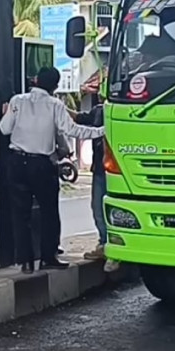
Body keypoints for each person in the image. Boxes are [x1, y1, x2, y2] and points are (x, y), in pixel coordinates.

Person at [0, 67, 104, 273]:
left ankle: (26, 262)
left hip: (17, 162)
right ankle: (48, 257)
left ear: (36, 80)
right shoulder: (55, 105)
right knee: (49, 212)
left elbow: (4, 129)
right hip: (42, 165)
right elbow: (72, 130)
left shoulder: (17, 101)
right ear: (55, 86)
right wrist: (102, 131)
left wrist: (7, 114)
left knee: (21, 213)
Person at [73, 98, 118, 272]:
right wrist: (57, 106)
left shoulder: (122, 108)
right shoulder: (98, 111)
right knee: (98, 208)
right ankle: (104, 244)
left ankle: (115, 250)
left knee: (114, 211)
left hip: (119, 169)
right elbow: (79, 118)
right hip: (100, 168)